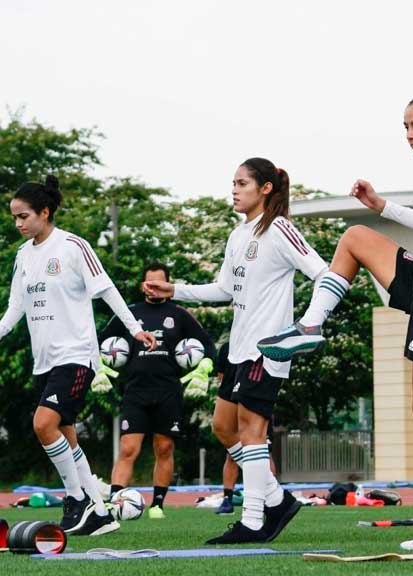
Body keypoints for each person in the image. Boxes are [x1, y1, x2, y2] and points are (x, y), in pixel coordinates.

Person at [257, 92, 413, 550]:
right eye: (405, 128)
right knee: (356, 237)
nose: (410, 135)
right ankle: (310, 326)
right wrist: (382, 207)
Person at [145, 158, 327, 543]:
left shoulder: (280, 229)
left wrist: (303, 328)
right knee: (222, 427)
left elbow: (323, 273)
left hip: (269, 349)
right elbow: (224, 290)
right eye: (233, 183)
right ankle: (277, 499)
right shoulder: (237, 235)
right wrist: (175, 290)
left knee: (251, 432)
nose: (234, 189)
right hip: (239, 349)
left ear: (265, 189)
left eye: (242, 183)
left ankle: (254, 520)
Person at [0, 176, 156, 536]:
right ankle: (99, 513)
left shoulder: (73, 246)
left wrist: (134, 329)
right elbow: (14, 309)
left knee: (43, 424)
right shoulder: (23, 256)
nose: (19, 223)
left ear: (45, 212)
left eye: (24, 216)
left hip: (76, 355)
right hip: (45, 360)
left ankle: (77, 499)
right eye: (14, 218)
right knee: (66, 437)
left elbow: (106, 290)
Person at [92, 262, 216, 519]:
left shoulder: (179, 314)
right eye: (150, 284)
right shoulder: (129, 313)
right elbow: (98, 342)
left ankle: (157, 504)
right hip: (135, 390)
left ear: (168, 285)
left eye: (160, 284)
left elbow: (208, 345)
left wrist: (204, 367)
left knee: (164, 448)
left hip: (168, 390)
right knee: (128, 448)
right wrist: (99, 367)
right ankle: (117, 503)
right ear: (142, 285)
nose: (154, 289)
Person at [213, 341, 277, 516]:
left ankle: (269, 499)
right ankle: (228, 498)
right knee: (230, 449)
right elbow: (220, 376)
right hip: (231, 394)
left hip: (253, 392)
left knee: (261, 448)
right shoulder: (227, 347)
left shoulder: (262, 342)